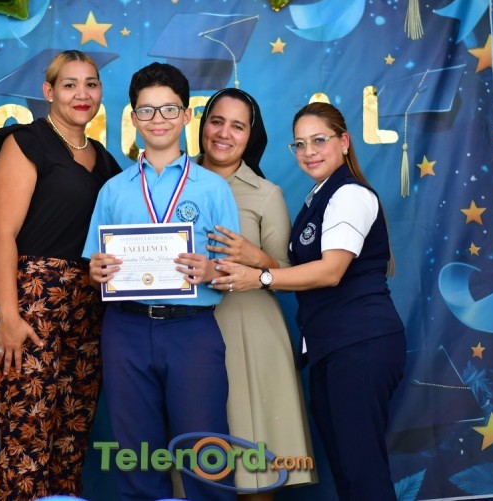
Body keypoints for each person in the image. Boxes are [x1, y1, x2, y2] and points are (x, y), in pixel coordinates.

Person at [210, 102, 406, 501]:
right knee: (349, 473)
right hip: (332, 347)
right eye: (299, 144)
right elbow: (301, 269)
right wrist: (260, 260)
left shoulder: (349, 194)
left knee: (363, 473)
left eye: (319, 140)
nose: (309, 152)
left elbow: (330, 271)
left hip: (361, 345)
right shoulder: (319, 196)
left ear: (344, 142)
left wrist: (260, 276)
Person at [83, 62, 240, 501]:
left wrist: (211, 272)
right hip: (126, 329)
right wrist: (96, 272)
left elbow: (232, 269)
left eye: (169, 109)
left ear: (186, 115)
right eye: (147, 111)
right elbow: (95, 264)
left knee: (205, 454)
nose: (158, 120)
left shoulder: (213, 189)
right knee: (136, 456)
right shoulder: (113, 190)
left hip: (192, 330)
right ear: (133, 118)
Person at [0, 50, 121, 501]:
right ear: (49, 91)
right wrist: (9, 317)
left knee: (69, 448)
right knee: (27, 446)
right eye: (70, 84)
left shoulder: (106, 161)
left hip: (86, 315)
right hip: (27, 306)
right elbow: (1, 233)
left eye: (91, 83)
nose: (82, 93)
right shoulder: (27, 142)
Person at [197, 88, 315, 499]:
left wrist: (256, 258)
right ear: (203, 125)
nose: (224, 133)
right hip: (183, 333)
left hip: (250, 334)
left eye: (238, 126)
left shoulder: (266, 194)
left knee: (256, 466)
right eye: (217, 121)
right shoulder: (171, 181)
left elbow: (289, 271)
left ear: (251, 136)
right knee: (193, 465)